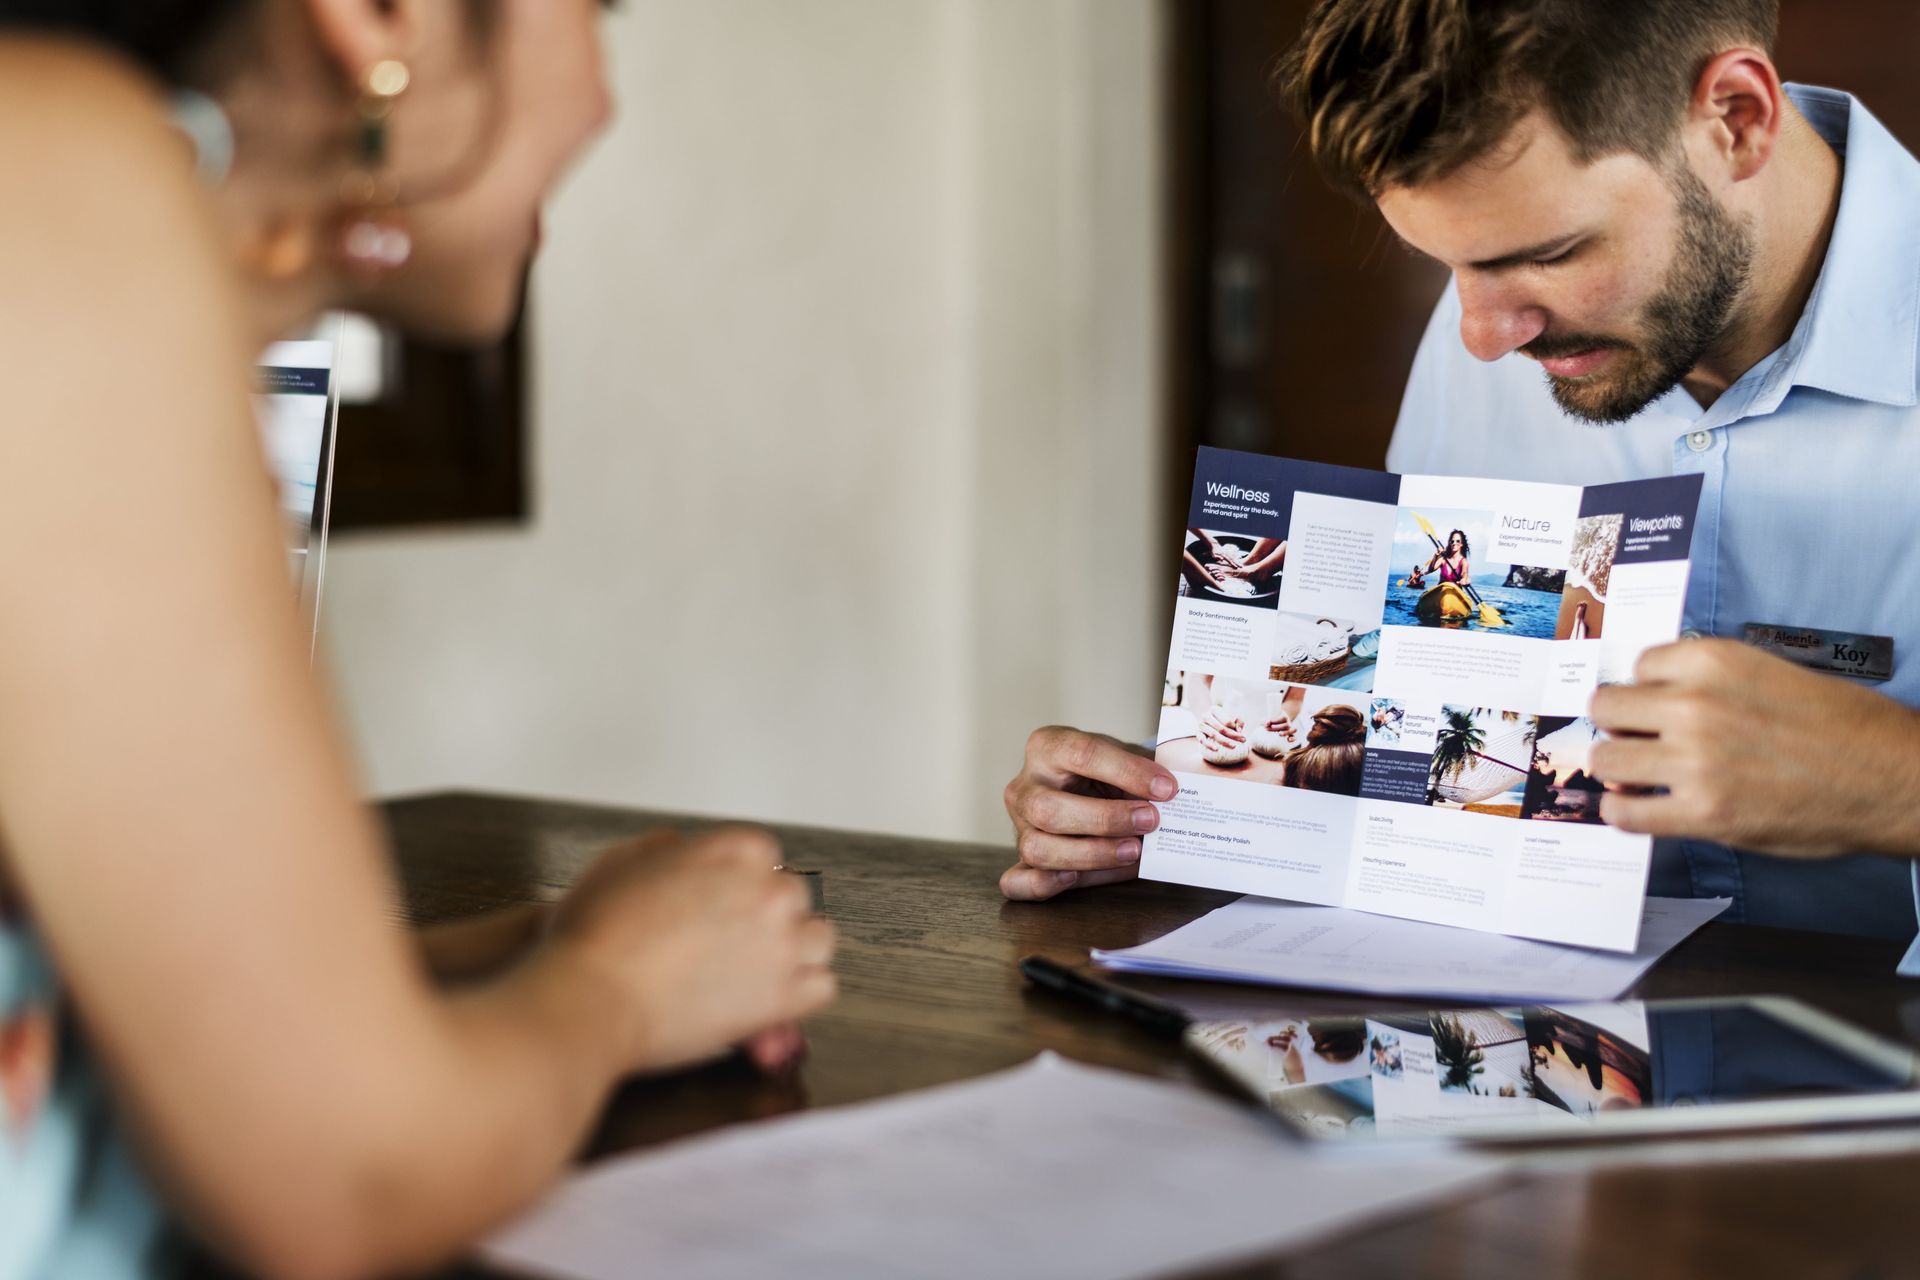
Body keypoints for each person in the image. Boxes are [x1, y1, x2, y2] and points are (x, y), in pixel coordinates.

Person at [0, 3, 836, 1277]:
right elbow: (348, 1175)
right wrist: (616, 992)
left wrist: (530, 952)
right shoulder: (58, 179)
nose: (605, 95)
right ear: (373, 18)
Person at [999, 0, 1920, 972]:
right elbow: (1429, 737)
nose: (1482, 338)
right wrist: (1186, 804)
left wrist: (1895, 781)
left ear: (1736, 119)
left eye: (1550, 254)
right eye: (1451, 267)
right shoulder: (1505, 323)